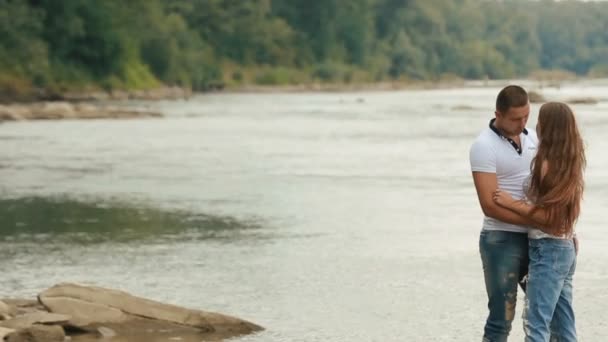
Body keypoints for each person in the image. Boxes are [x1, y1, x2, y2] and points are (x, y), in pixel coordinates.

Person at [493, 101, 585, 342]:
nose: (536, 124)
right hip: (565, 247)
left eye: (539, 120)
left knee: (536, 326)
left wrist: (509, 202)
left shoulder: (547, 165)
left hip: (549, 250)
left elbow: (550, 219)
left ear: (547, 126)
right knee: (564, 328)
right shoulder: (568, 161)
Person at [469, 85, 539, 341]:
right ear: (497, 114)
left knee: (547, 312)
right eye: (515, 118)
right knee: (501, 319)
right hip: (500, 240)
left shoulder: (533, 136)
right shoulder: (483, 146)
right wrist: (538, 219)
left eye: (526, 116)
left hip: (537, 239)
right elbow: (490, 205)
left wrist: (562, 229)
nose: (522, 123)